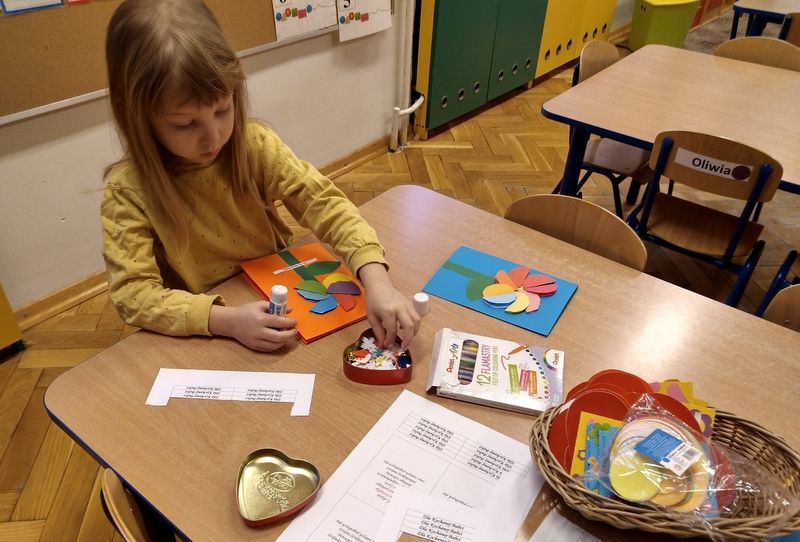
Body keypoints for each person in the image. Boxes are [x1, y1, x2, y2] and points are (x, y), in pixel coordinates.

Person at [101, 0, 419, 352]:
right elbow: (133, 295)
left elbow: (324, 203)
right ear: (139, 118)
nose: (213, 137)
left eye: (223, 109)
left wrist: (377, 280)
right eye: (186, 124)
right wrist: (226, 321)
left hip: (275, 297)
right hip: (206, 330)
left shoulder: (254, 145)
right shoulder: (128, 190)